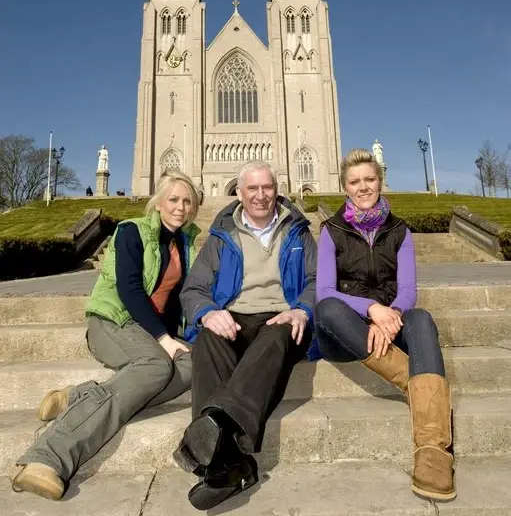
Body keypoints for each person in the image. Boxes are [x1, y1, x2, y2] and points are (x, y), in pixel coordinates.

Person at [11, 171, 200, 501]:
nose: (180, 207)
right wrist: (163, 339)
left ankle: (83, 397)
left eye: (187, 201)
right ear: (158, 202)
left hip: (150, 333)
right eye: (173, 199)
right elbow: (129, 289)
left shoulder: (183, 244)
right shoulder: (132, 231)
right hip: (113, 322)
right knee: (156, 368)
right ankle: (48, 456)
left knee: (192, 365)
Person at [174, 160, 317, 511]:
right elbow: (194, 289)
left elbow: (317, 282)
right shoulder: (222, 236)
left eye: (267, 187)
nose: (260, 195)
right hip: (236, 315)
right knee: (209, 339)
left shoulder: (297, 231)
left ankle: (213, 435)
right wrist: (208, 313)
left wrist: (302, 309)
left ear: (276, 189)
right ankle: (231, 465)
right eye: (252, 188)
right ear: (239, 193)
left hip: (284, 318)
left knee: (276, 333)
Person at [315, 149, 455, 502]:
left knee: (421, 318)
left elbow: (408, 290)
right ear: (345, 187)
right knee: (328, 309)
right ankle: (421, 388)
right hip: (347, 331)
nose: (363, 187)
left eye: (369, 179)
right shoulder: (331, 231)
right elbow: (324, 292)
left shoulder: (399, 230)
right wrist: (373, 310)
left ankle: (432, 450)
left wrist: (390, 316)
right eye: (355, 181)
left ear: (380, 180)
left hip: (390, 322)